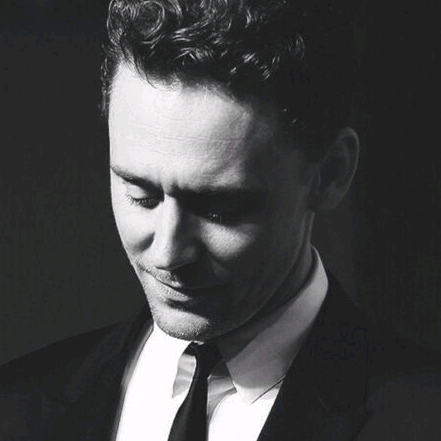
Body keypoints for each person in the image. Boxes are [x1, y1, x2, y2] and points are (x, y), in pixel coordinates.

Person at [0, 0, 439, 440]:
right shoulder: (15, 408)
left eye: (218, 208)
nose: (168, 253)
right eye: (141, 195)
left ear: (330, 173)